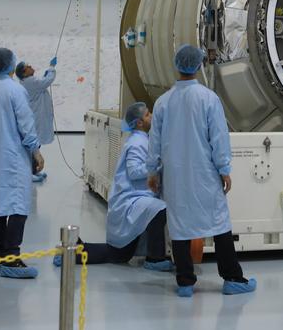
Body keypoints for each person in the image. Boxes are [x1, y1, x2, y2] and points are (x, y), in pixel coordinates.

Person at [147, 45, 256, 298]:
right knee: (219, 224)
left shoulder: (163, 102)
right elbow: (218, 138)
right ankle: (232, 278)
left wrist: (152, 171)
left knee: (180, 226)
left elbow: (154, 141)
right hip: (205, 173)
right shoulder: (208, 99)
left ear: (178, 65)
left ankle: (185, 281)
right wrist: (224, 169)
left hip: (174, 176)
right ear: (199, 66)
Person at [55, 102, 173, 272]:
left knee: (120, 254)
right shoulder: (137, 143)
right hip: (129, 201)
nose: (152, 116)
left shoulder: (140, 139)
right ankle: (154, 258)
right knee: (158, 209)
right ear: (139, 122)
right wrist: (157, 166)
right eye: (148, 114)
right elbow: (133, 172)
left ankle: (75, 248)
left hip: (132, 198)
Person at [0, 47, 44, 280]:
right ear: (11, 65)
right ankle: (12, 259)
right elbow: (26, 124)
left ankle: (0, 258)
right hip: (13, 158)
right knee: (18, 207)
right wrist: (35, 151)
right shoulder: (16, 90)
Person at [16, 58, 57, 183]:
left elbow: (41, 83)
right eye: (28, 65)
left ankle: (33, 171)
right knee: (33, 146)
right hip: (36, 118)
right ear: (24, 72)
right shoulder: (30, 81)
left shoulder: (27, 81)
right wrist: (51, 67)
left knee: (34, 145)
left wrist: (44, 77)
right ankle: (30, 173)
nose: (31, 66)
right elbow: (47, 81)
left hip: (35, 116)